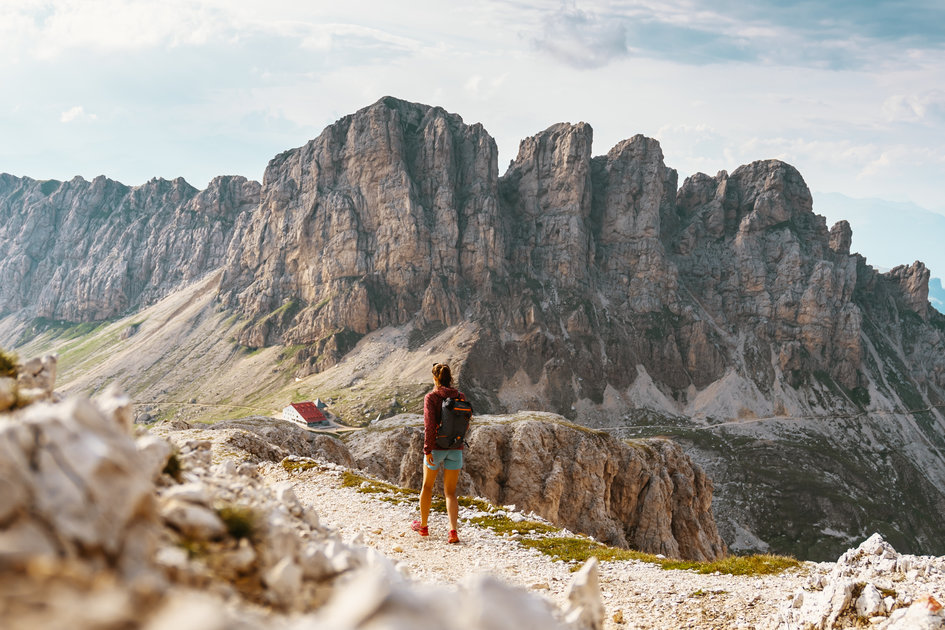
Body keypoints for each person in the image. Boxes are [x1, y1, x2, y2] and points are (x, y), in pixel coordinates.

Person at [411, 362, 466, 544]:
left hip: (436, 449)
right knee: (450, 493)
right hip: (455, 448)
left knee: (427, 487)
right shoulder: (460, 396)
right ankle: (453, 532)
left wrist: (427, 449)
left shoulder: (431, 397)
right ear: (450, 378)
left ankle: (424, 527)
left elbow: (429, 425)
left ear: (435, 378)